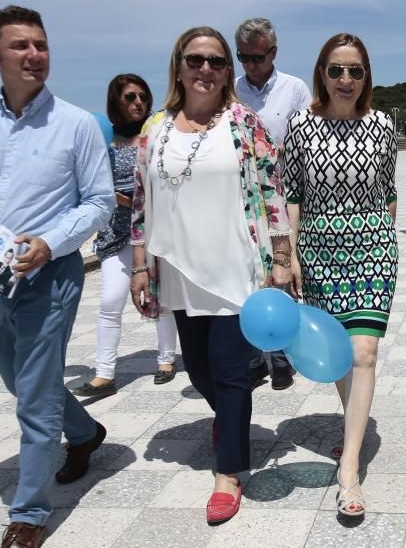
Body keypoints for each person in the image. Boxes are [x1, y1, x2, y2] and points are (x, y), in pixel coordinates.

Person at [0, 5, 115, 548]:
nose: (34, 55)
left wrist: (51, 242)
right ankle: (83, 432)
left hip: (52, 275)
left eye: (40, 44)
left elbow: (100, 202)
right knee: (18, 379)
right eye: (20, 46)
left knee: (32, 396)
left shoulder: (76, 124)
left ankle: (29, 514)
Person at [130, 26, 292, 525]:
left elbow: (272, 193)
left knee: (228, 372)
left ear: (228, 71)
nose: (206, 69)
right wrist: (140, 264)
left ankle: (229, 473)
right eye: (196, 59)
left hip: (235, 266)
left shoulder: (245, 124)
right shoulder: (154, 129)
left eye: (217, 62)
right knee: (199, 372)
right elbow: (141, 202)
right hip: (177, 269)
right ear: (179, 64)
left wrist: (283, 259)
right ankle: (228, 420)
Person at [284, 33, 398, 518]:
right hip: (317, 250)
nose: (345, 80)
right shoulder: (300, 126)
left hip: (372, 246)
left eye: (355, 71)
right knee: (338, 355)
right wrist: (287, 256)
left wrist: (385, 236)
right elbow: (290, 193)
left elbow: (390, 188)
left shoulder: (382, 125)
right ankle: (355, 424)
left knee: (363, 350)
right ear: (322, 74)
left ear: (366, 75)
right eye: (336, 70)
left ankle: (349, 469)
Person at [73, 74, 179, 398]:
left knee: (162, 298)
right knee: (109, 301)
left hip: (156, 230)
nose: (138, 103)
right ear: (115, 102)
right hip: (116, 234)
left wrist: (134, 199)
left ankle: (166, 359)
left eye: (143, 97)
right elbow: (91, 186)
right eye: (130, 97)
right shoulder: (103, 141)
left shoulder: (158, 135)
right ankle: (104, 374)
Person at [234, 17, 311, 391]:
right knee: (248, 274)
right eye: (243, 57)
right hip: (245, 199)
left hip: (284, 195)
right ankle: (253, 357)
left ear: (273, 53)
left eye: (257, 57)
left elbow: (304, 141)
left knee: (282, 270)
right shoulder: (231, 92)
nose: (250, 65)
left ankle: (280, 355)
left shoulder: (295, 89)